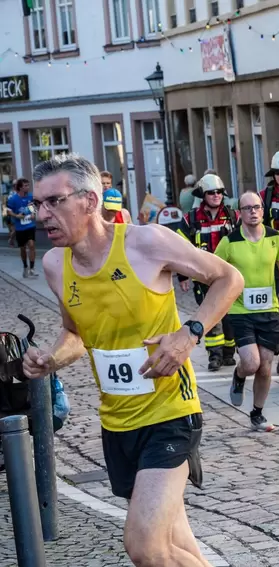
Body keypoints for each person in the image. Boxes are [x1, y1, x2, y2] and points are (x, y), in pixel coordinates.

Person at [23, 153, 243, 566]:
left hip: (169, 413)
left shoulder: (146, 242)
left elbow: (229, 278)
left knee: (144, 546)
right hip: (117, 422)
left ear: (90, 201)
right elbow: (75, 334)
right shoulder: (56, 265)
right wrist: (50, 359)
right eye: (38, 204)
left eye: (54, 201)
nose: (43, 214)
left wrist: (189, 334)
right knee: (175, 545)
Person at [219, 192, 279, 432]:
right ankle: (239, 376)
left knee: (266, 367)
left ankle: (257, 413)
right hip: (240, 311)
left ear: (262, 210)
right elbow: (216, 271)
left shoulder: (275, 238)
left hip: (269, 310)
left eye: (256, 207)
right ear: (240, 212)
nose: (253, 212)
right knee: (251, 363)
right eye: (247, 208)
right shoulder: (230, 241)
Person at [177, 174, 239, 371]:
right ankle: (214, 355)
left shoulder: (232, 216)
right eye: (211, 193)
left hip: (229, 275)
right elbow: (180, 248)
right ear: (203, 195)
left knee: (229, 315)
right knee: (210, 314)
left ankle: (229, 353)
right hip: (204, 276)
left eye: (219, 192)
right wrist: (183, 275)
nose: (215, 196)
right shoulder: (191, 219)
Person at [7, 177, 38, 278]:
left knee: (32, 245)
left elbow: (33, 207)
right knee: (23, 248)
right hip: (20, 227)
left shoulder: (30, 196)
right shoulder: (13, 199)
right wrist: (16, 216)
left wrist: (33, 213)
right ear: (20, 187)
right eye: (25, 186)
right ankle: (25, 267)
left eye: (28, 185)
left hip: (30, 225)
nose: (28, 187)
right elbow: (8, 211)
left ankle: (32, 269)